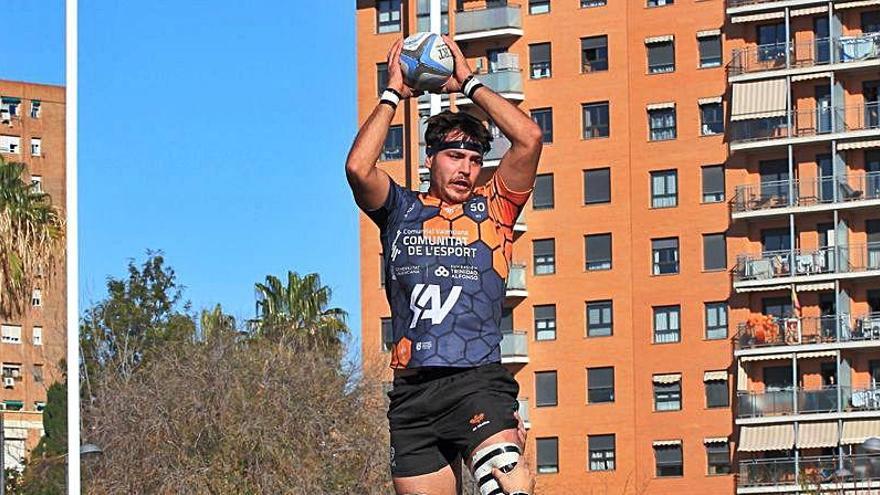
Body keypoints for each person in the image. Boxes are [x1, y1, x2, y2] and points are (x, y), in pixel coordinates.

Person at [345, 35, 542, 495]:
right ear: (430, 158)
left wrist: (469, 81)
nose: (466, 169)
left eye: (475, 160)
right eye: (455, 156)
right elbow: (358, 168)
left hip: (477, 382)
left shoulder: (495, 208)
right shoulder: (399, 209)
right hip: (413, 395)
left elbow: (529, 138)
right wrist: (393, 92)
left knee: (508, 489)